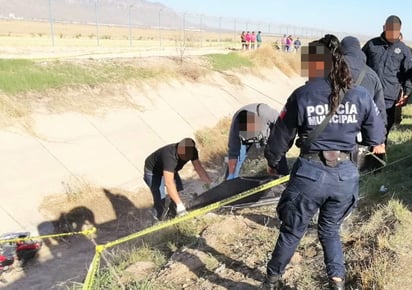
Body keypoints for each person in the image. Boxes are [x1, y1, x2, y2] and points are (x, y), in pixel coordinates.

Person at [262, 34, 386, 290]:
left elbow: (279, 140)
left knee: (292, 231)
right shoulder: (361, 94)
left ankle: (271, 281)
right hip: (345, 178)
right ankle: (337, 283)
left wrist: (276, 165)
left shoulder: (302, 94)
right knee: (330, 230)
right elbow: (376, 137)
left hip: (309, 176)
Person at [362, 15, 412, 152]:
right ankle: (362, 155)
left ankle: (378, 161)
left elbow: (409, 74)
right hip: (368, 95)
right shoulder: (372, 45)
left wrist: (407, 93)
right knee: (364, 126)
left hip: (389, 98)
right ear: (384, 27)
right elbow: (359, 65)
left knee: (383, 129)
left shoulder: (404, 50)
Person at [341, 36, 387, 171]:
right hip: (361, 131)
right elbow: (380, 110)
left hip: (334, 131)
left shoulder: (331, 70)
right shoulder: (372, 75)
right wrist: (379, 140)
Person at [143, 138, 212, 220]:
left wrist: (210, 184)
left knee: (179, 192)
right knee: (161, 199)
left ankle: (173, 214)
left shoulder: (192, 151)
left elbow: (199, 169)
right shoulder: (169, 156)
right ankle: (158, 220)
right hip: (154, 172)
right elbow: (169, 183)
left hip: (171, 169)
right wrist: (180, 205)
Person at [226, 103, 288, 180]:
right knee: (240, 159)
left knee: (277, 154)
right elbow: (233, 155)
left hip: (268, 131)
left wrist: (272, 164)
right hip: (252, 129)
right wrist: (230, 178)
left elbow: (283, 139)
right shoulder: (236, 129)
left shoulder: (270, 116)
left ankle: (284, 179)